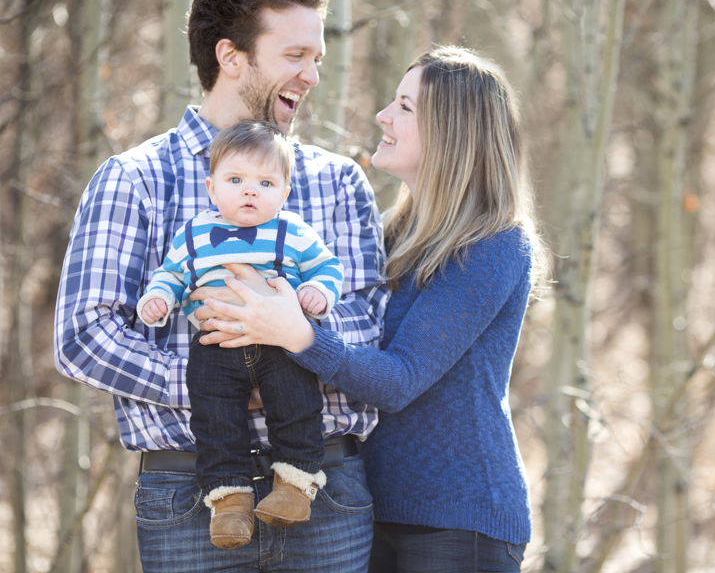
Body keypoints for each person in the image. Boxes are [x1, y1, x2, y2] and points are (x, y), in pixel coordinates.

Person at [53, 0, 387, 571]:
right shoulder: (135, 179)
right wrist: (217, 391)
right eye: (294, 56)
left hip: (327, 491)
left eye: (317, 58)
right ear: (230, 56)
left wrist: (297, 344)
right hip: (187, 497)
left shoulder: (338, 182)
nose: (311, 75)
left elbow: (370, 327)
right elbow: (84, 335)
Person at [198, 46, 547, 572]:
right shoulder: (394, 232)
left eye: (405, 107)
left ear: (452, 131)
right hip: (374, 505)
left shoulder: (494, 245)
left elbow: (399, 378)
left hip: (459, 519)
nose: (383, 115)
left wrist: (298, 334)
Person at [137, 120, 345, 550]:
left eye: (266, 182)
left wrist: (317, 293)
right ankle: (229, 498)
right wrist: (157, 299)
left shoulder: (292, 231)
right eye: (236, 180)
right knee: (214, 416)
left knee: (296, 403)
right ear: (212, 188)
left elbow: (328, 268)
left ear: (284, 193)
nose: (250, 191)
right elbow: (171, 275)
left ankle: (294, 482)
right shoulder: (194, 235)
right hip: (215, 344)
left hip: (279, 343)